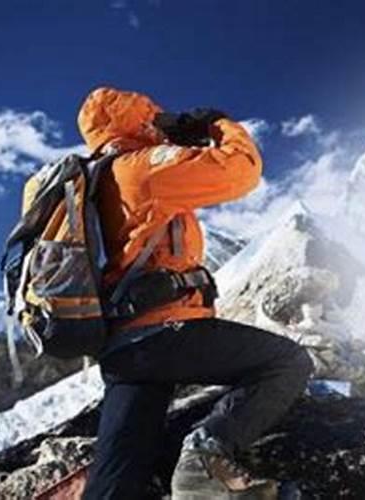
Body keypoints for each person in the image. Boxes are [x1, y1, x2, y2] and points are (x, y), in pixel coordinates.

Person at [77, 87, 314, 499]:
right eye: (154, 118)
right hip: (164, 334)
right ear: (139, 123)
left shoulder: (92, 183)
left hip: (122, 351)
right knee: (287, 362)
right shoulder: (141, 169)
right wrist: (214, 124)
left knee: (118, 477)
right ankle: (205, 464)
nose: (162, 123)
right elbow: (241, 169)